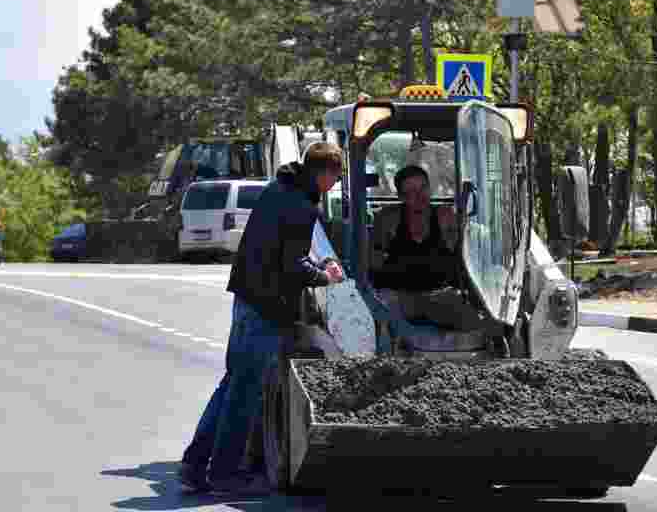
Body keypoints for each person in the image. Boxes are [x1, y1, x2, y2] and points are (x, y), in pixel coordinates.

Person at [179, 142, 345, 495]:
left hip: (245, 297)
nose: (336, 182)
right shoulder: (302, 207)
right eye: (336, 175)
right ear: (325, 174)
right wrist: (325, 275)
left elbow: (275, 251)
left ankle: (194, 465)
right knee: (245, 392)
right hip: (267, 308)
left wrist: (312, 268)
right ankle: (224, 475)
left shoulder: (277, 188)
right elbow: (292, 265)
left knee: (231, 385)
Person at [372, 165, 504, 338]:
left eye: (423, 188)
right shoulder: (389, 220)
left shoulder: (446, 217)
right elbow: (373, 262)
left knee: (482, 324)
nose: (419, 196)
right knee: (382, 308)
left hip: (440, 296)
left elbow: (466, 256)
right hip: (400, 297)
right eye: (411, 191)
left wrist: (460, 229)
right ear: (401, 196)